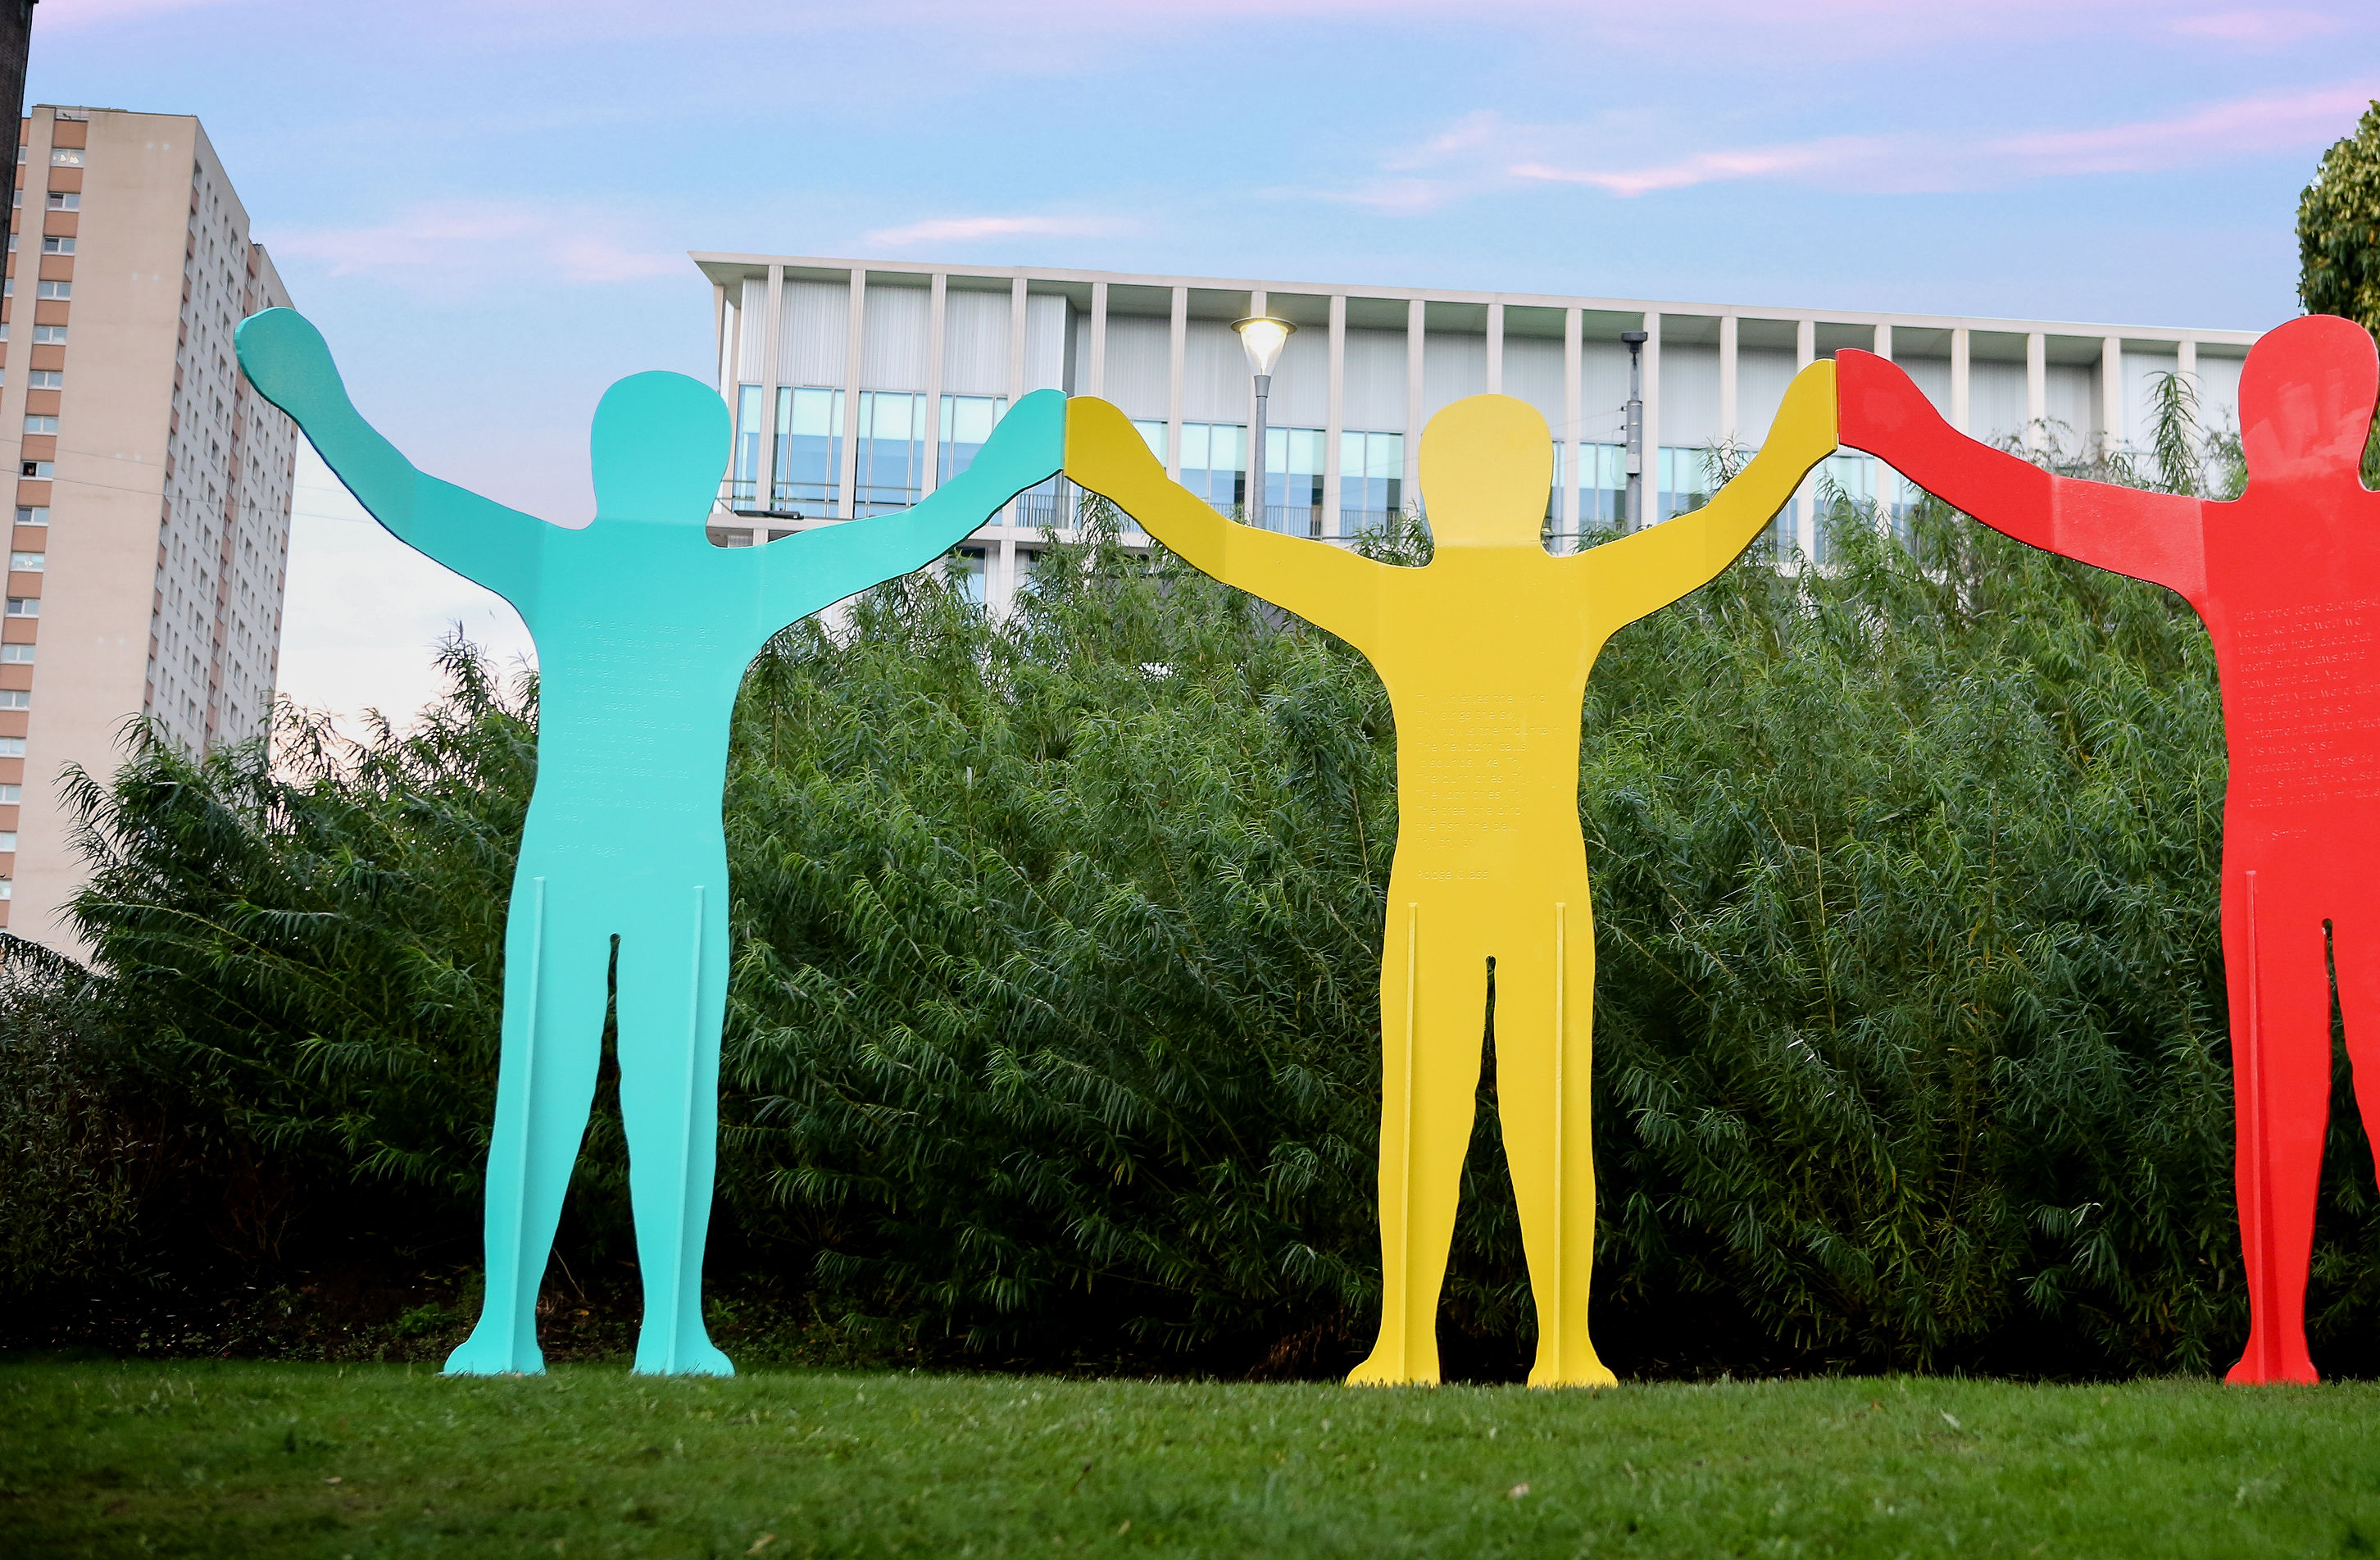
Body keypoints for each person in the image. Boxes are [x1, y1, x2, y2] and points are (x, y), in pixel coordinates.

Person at [1837, 245, 2380, 1385]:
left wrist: (1914, 440)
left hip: (2339, 851)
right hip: (2302, 853)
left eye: (2304, 404)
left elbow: (2049, 505)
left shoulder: (2276, 536)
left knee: (2375, 1085)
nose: (2296, 425)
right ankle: (2309, 1344)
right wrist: (1910, 441)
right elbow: (2050, 509)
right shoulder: (2311, 533)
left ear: (2315, 421)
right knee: (2313, 1091)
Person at [237, 308, 1065, 1376]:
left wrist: (318, 400)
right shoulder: (737, 580)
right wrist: (1002, 466)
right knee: (666, 1094)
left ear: (601, 460)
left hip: (573, 860)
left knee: (541, 1087)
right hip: (673, 870)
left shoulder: (557, 559)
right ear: (709, 471)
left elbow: (407, 495)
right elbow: (903, 536)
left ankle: (519, 1330)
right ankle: (662, 1333)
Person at [1067, 370, 1837, 1385]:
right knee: (1547, 1115)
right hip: (1541, 896)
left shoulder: (1398, 600)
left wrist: (1128, 475)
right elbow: (1714, 533)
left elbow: (1231, 548)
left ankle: (1411, 1343)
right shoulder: (1575, 591)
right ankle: (1557, 1348)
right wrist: (1795, 442)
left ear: (1431, 492)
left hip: (1438, 896)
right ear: (1542, 491)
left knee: (1424, 1118)